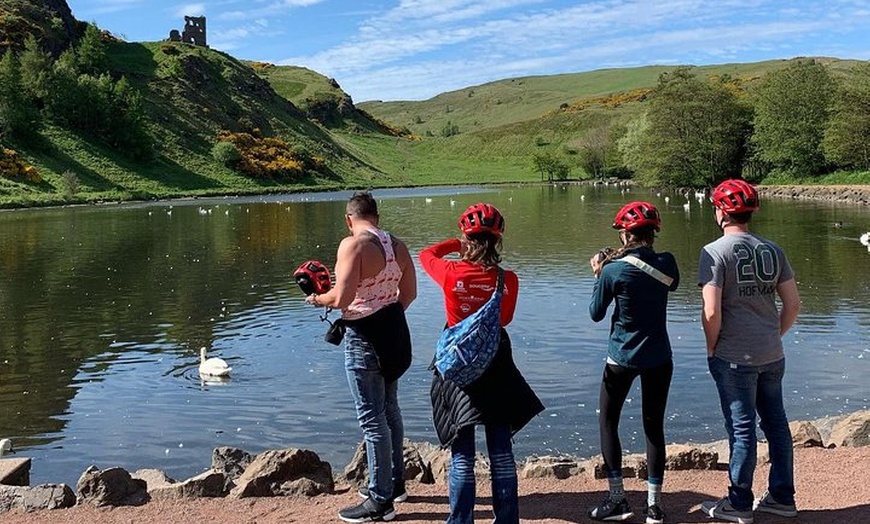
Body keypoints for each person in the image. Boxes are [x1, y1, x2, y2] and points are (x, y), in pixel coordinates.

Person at [421, 203, 543, 524]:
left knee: (462, 454)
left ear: (466, 236)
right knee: (501, 451)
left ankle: (461, 521)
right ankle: (506, 520)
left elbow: (426, 255)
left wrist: (453, 244)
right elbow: (505, 319)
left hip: (457, 367)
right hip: (496, 365)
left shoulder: (450, 273)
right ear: (498, 240)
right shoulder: (508, 279)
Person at [304, 191, 417, 523]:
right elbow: (408, 294)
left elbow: (342, 298)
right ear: (377, 217)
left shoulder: (351, 245)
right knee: (390, 410)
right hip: (394, 334)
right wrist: (384, 313)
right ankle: (394, 485)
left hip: (364, 339)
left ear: (348, 218)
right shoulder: (398, 246)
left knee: (372, 419)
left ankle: (380, 502)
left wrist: (318, 299)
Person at [699, 179, 801, 524]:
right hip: (772, 353)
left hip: (734, 356)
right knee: (777, 425)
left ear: (721, 212)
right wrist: (775, 333)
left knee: (742, 431)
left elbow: (711, 312)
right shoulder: (773, 249)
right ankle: (782, 498)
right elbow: (793, 303)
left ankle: (739, 504)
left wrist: (712, 347)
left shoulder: (714, 252)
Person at [587, 201, 680, 524]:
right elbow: (669, 282)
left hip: (621, 358)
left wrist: (599, 275)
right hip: (659, 357)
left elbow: (596, 313)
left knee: (608, 422)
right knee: (654, 427)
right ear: (654, 233)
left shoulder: (613, 270)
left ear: (626, 234)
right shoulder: (668, 263)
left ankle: (617, 500)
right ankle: (654, 506)